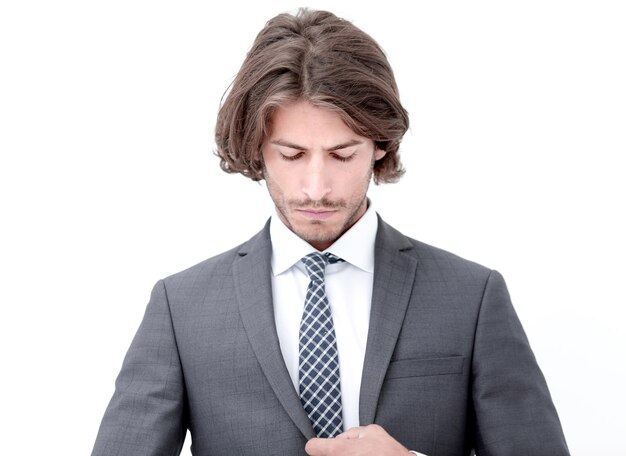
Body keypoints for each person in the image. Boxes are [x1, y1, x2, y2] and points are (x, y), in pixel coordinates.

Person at [92, 8, 569, 456]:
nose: (315, 188)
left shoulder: (473, 298)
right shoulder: (182, 308)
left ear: (381, 145)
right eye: (292, 154)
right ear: (257, 149)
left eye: (342, 154)